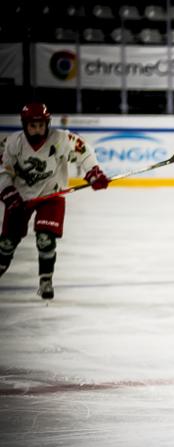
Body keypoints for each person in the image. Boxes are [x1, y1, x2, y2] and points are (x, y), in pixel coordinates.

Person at [0, 102, 109, 299]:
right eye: (33, 126)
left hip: (51, 195)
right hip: (20, 198)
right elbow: (3, 169)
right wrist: (8, 193)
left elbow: (83, 151)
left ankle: (45, 280)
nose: (37, 129)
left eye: (41, 125)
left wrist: (94, 172)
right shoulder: (12, 142)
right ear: (25, 125)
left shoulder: (60, 138)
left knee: (45, 239)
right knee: (6, 243)